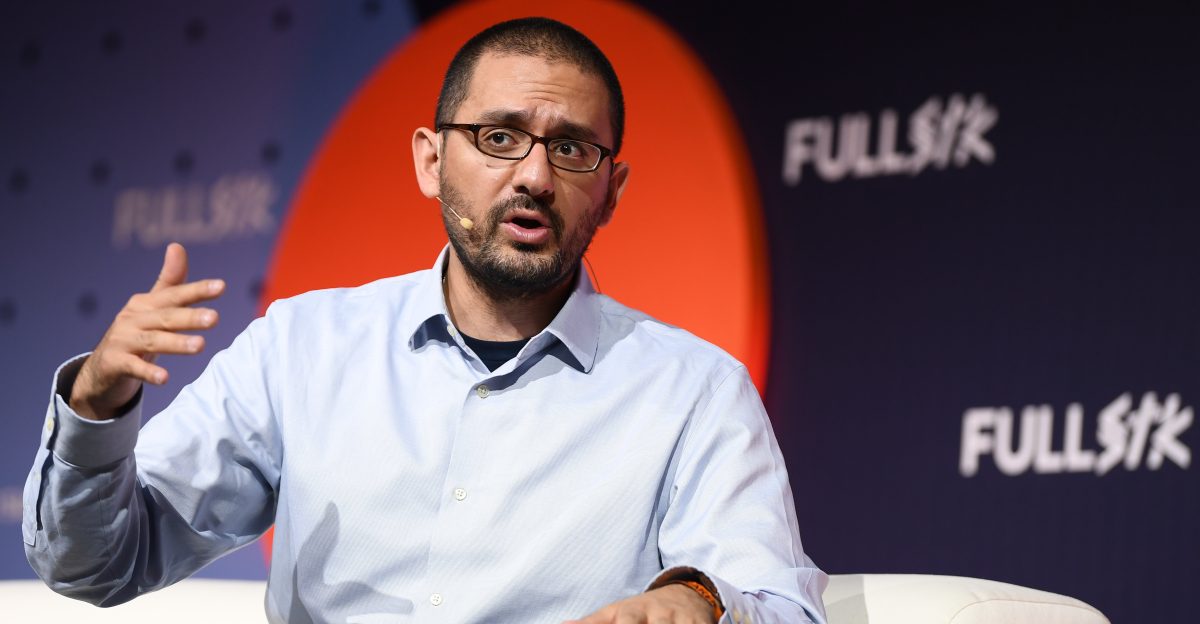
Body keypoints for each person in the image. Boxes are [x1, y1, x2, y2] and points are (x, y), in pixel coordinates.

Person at [23, 17, 827, 624]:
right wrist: (95, 408)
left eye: (574, 150)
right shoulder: (302, 348)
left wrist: (698, 598)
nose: (535, 177)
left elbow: (778, 602)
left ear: (612, 191)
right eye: (500, 137)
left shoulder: (693, 391)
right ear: (430, 160)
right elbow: (92, 564)